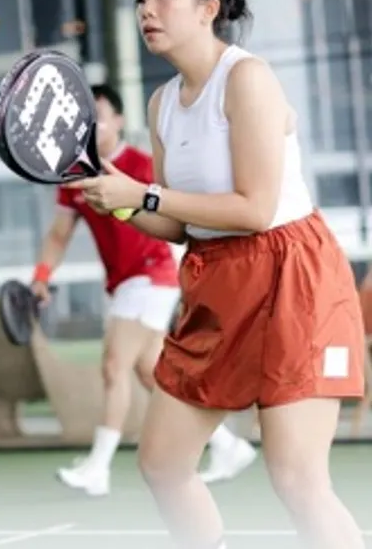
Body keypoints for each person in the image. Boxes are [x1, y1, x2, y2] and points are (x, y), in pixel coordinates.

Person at [68, 0, 366, 548]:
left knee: (297, 479)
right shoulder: (161, 104)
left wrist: (144, 194)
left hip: (294, 277)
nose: (146, 10)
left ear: (209, 8)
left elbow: (254, 209)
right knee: (162, 464)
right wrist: (121, 202)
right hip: (215, 281)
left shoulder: (247, 78)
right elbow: (182, 224)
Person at [32, 83, 256, 498]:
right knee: (148, 371)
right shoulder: (73, 179)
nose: (91, 126)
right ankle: (228, 446)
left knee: (114, 365)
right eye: (84, 119)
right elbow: (59, 234)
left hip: (152, 275)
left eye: (99, 117)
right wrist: (42, 275)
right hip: (124, 283)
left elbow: (176, 215)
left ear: (118, 121)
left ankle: (98, 467)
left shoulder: (141, 164)